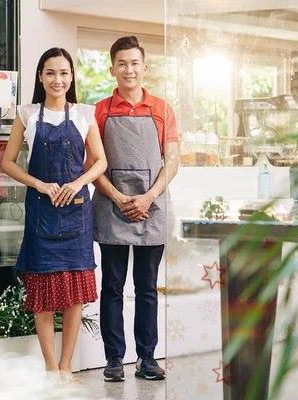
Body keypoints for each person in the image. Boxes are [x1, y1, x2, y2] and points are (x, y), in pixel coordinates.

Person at [2, 48, 108, 383]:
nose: (57, 80)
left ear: (72, 77)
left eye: (63, 73)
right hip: (40, 212)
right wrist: (41, 185)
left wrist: (77, 183)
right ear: (40, 77)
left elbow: (101, 162)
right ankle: (50, 368)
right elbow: (7, 162)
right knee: (44, 293)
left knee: (74, 294)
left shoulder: (84, 114)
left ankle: (66, 366)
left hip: (76, 213)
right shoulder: (27, 114)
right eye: (50, 73)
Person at [88, 36, 179, 382]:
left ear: (145, 67)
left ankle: (147, 357)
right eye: (122, 63)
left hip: (151, 206)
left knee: (147, 287)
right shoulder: (99, 110)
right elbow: (92, 163)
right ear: (112, 69)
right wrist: (118, 197)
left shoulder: (162, 109)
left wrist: (147, 198)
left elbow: (172, 162)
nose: (129, 69)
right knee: (111, 286)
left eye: (135, 63)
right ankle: (113, 359)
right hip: (112, 206)